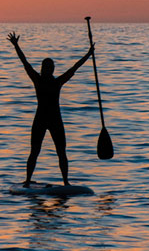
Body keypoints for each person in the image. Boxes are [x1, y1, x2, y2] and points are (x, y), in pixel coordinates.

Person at [7, 32, 93, 186]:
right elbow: (24, 62)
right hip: (42, 119)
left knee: (61, 152)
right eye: (47, 67)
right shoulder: (39, 80)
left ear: (53, 69)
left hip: (54, 120)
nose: (50, 69)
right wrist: (16, 46)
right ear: (43, 68)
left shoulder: (57, 81)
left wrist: (88, 54)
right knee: (35, 151)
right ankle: (27, 180)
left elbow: (75, 68)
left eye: (52, 67)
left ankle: (66, 182)